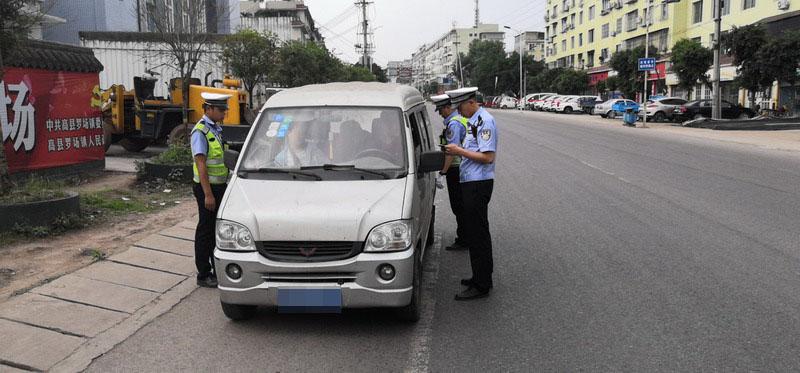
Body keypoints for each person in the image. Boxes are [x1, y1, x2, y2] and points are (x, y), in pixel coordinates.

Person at [443, 87, 498, 301]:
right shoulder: (474, 120)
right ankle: (480, 277)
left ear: (471, 102)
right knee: (476, 234)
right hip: (471, 182)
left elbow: (487, 157)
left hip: (478, 184)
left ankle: (481, 284)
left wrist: (458, 151)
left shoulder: (485, 122)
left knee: (478, 235)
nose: (459, 110)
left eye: (461, 106)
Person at [191, 92, 231, 288]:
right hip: (206, 188)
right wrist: (207, 194)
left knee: (215, 229)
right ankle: (203, 273)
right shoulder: (200, 132)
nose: (224, 113)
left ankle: (216, 269)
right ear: (208, 109)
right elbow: (201, 165)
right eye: (221, 109)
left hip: (219, 186)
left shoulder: (215, 129)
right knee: (205, 230)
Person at [431, 94, 469, 251]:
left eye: (441, 110)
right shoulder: (460, 120)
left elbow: (451, 152)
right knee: (462, 205)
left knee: (459, 205)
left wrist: (443, 173)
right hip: (463, 167)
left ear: (449, 108)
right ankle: (467, 236)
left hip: (456, 168)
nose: (440, 114)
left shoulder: (453, 124)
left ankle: (464, 239)